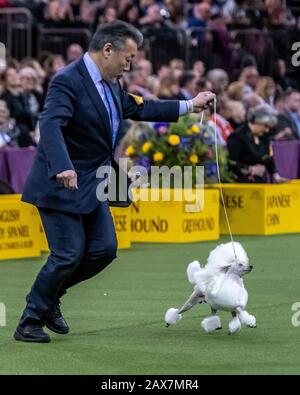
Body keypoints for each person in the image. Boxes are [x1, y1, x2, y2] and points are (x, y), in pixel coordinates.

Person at [14, 21, 215, 343]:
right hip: (61, 183)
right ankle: (30, 320)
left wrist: (190, 105)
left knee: (104, 250)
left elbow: (141, 106)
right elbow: (50, 123)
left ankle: (49, 297)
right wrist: (62, 167)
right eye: (129, 57)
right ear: (108, 49)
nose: (130, 64)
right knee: (68, 254)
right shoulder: (67, 80)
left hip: (94, 184)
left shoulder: (111, 84)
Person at [227, 106, 285, 183]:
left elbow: (268, 157)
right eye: (265, 126)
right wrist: (249, 169)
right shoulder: (237, 136)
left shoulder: (264, 136)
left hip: (259, 181)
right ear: (257, 122)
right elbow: (230, 162)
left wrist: (275, 175)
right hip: (239, 182)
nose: (267, 130)